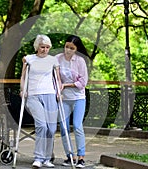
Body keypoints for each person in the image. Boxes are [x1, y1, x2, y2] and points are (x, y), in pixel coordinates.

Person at [20, 34, 61, 168]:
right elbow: (23, 76)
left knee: (51, 128)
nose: (45, 50)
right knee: (42, 125)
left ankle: (47, 159)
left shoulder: (53, 60)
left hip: (50, 94)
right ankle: (38, 158)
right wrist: (22, 90)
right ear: (37, 47)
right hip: (33, 95)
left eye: (47, 47)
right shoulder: (29, 59)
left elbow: (58, 78)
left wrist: (59, 91)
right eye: (42, 47)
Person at [55, 35, 89, 168]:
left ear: (76, 49)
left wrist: (66, 85)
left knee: (77, 126)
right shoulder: (57, 58)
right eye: (66, 47)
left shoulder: (80, 61)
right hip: (63, 98)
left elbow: (83, 82)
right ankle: (70, 156)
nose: (68, 50)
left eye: (72, 48)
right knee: (63, 128)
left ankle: (81, 157)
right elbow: (53, 75)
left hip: (78, 98)